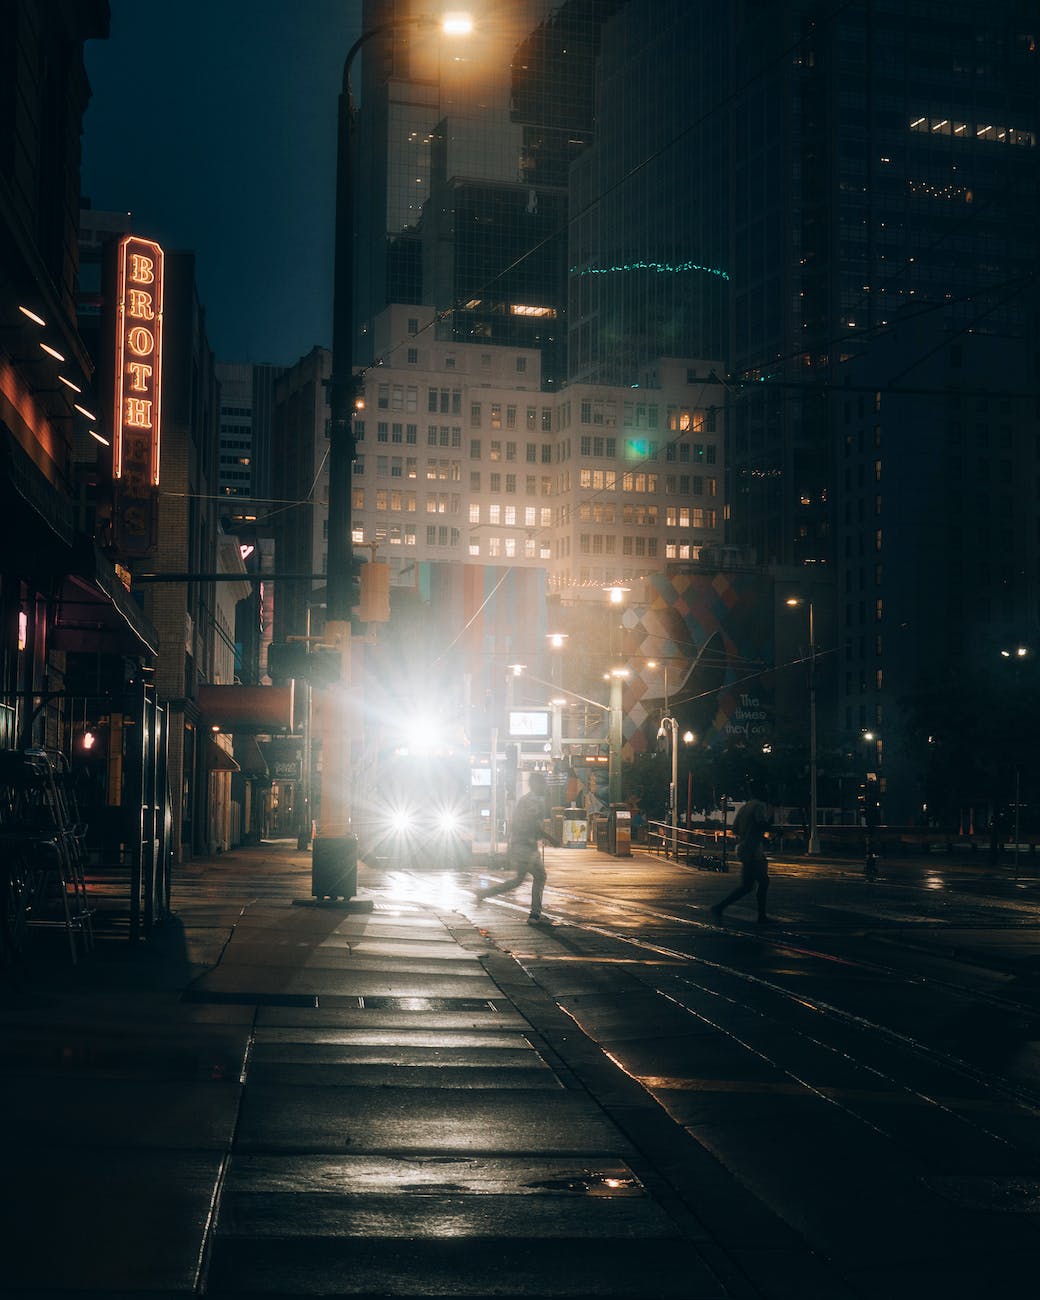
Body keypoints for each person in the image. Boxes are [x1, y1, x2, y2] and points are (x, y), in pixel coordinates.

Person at [476, 770, 552, 923]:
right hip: (526, 847)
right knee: (540, 876)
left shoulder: (526, 800)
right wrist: (551, 838)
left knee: (519, 880)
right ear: (535, 784)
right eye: (543, 783)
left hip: (522, 845)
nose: (545, 786)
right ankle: (535, 914)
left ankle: (484, 893)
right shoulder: (533, 802)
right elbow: (532, 824)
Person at [711, 784, 773, 924]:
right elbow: (760, 823)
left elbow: (735, 829)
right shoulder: (760, 806)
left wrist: (749, 834)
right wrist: (772, 831)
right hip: (753, 850)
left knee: (748, 886)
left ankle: (720, 907)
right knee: (762, 882)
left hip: (744, 847)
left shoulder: (745, 807)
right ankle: (761, 916)